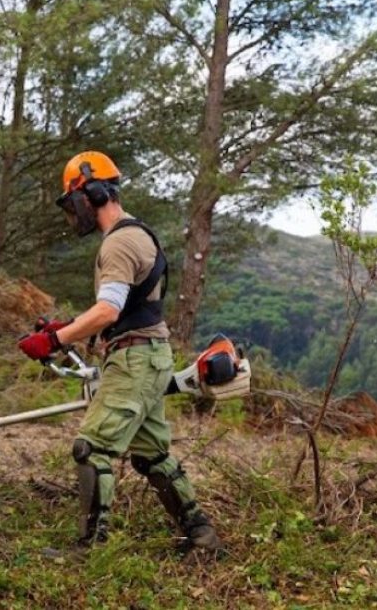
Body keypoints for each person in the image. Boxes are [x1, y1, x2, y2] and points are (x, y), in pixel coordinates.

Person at [17, 151, 224, 555]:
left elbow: (108, 310)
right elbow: (117, 310)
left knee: (90, 448)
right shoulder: (134, 235)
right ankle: (201, 536)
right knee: (152, 455)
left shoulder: (120, 243)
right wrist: (68, 329)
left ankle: (89, 548)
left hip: (135, 359)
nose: (70, 212)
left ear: (91, 193)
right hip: (144, 354)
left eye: (71, 201)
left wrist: (56, 341)